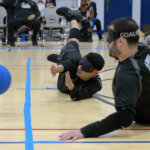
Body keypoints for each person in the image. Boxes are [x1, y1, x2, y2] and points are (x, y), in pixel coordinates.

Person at [58, 17, 150, 141]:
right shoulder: (142, 50)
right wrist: (118, 55)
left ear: (121, 42)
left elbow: (125, 117)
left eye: (110, 40)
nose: (107, 44)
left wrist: (84, 131)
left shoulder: (128, 73)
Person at [47, 7, 105, 101]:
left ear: (93, 74)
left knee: (62, 58)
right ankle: (73, 17)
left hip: (65, 65)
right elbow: (67, 65)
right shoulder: (76, 63)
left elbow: (77, 96)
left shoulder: (95, 85)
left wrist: (71, 87)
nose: (79, 68)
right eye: (81, 64)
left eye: (83, 68)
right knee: (73, 40)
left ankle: (58, 59)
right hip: (69, 55)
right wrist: (57, 69)